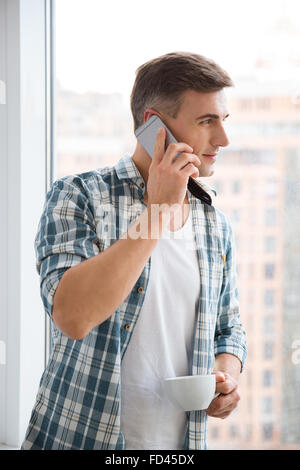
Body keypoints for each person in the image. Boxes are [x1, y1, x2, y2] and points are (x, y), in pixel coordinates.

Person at [22, 51, 247, 450]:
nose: (223, 139)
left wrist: (224, 376)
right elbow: (73, 316)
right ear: (154, 126)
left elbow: (229, 328)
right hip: (81, 439)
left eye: (223, 120)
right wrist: (156, 212)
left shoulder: (214, 223)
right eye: (206, 121)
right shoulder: (79, 196)